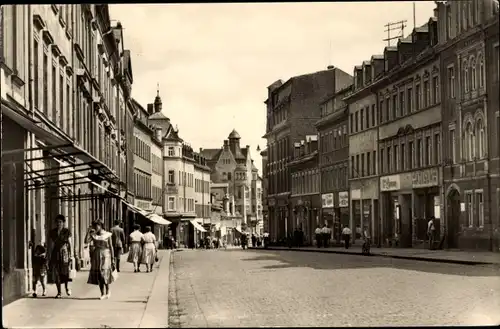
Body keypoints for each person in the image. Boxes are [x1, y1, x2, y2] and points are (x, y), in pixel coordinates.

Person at [85, 219, 115, 300]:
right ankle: (102, 293)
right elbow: (86, 241)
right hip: (96, 254)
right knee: (98, 273)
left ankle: (108, 291)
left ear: (101, 225)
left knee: (105, 272)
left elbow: (111, 246)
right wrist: (88, 231)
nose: (95, 227)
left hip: (106, 254)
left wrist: (113, 258)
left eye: (96, 225)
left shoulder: (107, 234)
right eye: (94, 226)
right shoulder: (94, 234)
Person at [48, 214, 72, 298]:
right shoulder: (53, 232)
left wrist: (71, 255)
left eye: (60, 222)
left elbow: (70, 243)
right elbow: (51, 245)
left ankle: (67, 287)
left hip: (64, 253)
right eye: (57, 222)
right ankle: (59, 292)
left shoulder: (66, 231)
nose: (59, 224)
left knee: (65, 272)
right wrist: (49, 256)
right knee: (56, 273)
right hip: (56, 254)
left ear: (63, 223)